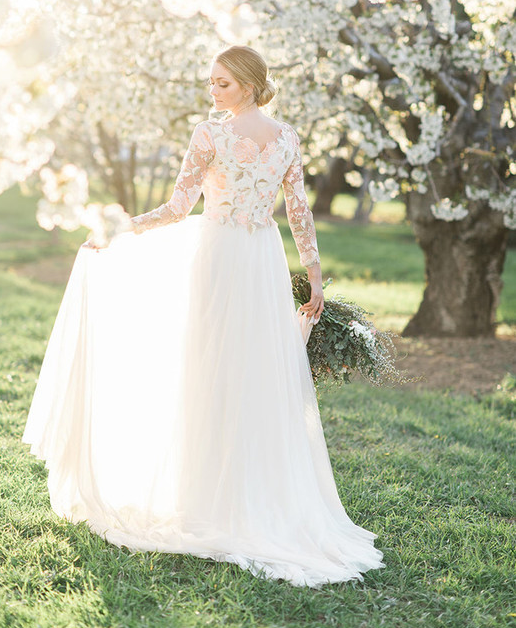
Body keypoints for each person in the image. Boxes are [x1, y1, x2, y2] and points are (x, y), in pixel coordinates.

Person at [22, 45, 384, 588]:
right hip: (259, 256)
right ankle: (226, 491)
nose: (213, 91)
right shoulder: (284, 136)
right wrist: (311, 273)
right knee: (236, 370)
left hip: (223, 256)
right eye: (211, 82)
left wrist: (120, 229)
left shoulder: (212, 135)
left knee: (220, 369)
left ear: (248, 85)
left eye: (222, 83)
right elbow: (297, 213)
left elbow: (180, 209)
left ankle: (217, 497)